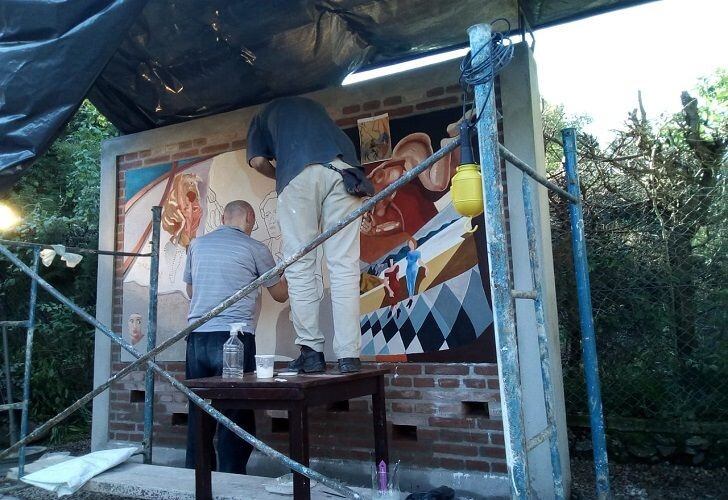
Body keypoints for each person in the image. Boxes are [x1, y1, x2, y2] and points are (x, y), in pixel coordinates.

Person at [247, 96, 363, 374]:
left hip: (298, 173)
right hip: (345, 172)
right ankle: (349, 356)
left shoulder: (262, 113)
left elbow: (259, 161)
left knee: (301, 265)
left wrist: (281, 174)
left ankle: (311, 352)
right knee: (345, 267)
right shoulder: (317, 107)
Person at [183, 200, 288, 474]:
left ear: (222, 217)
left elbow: (192, 292)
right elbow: (280, 294)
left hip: (196, 338)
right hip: (233, 339)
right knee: (235, 411)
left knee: (199, 411)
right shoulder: (256, 248)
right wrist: (286, 269)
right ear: (251, 220)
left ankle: (198, 478)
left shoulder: (197, 245)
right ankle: (232, 480)